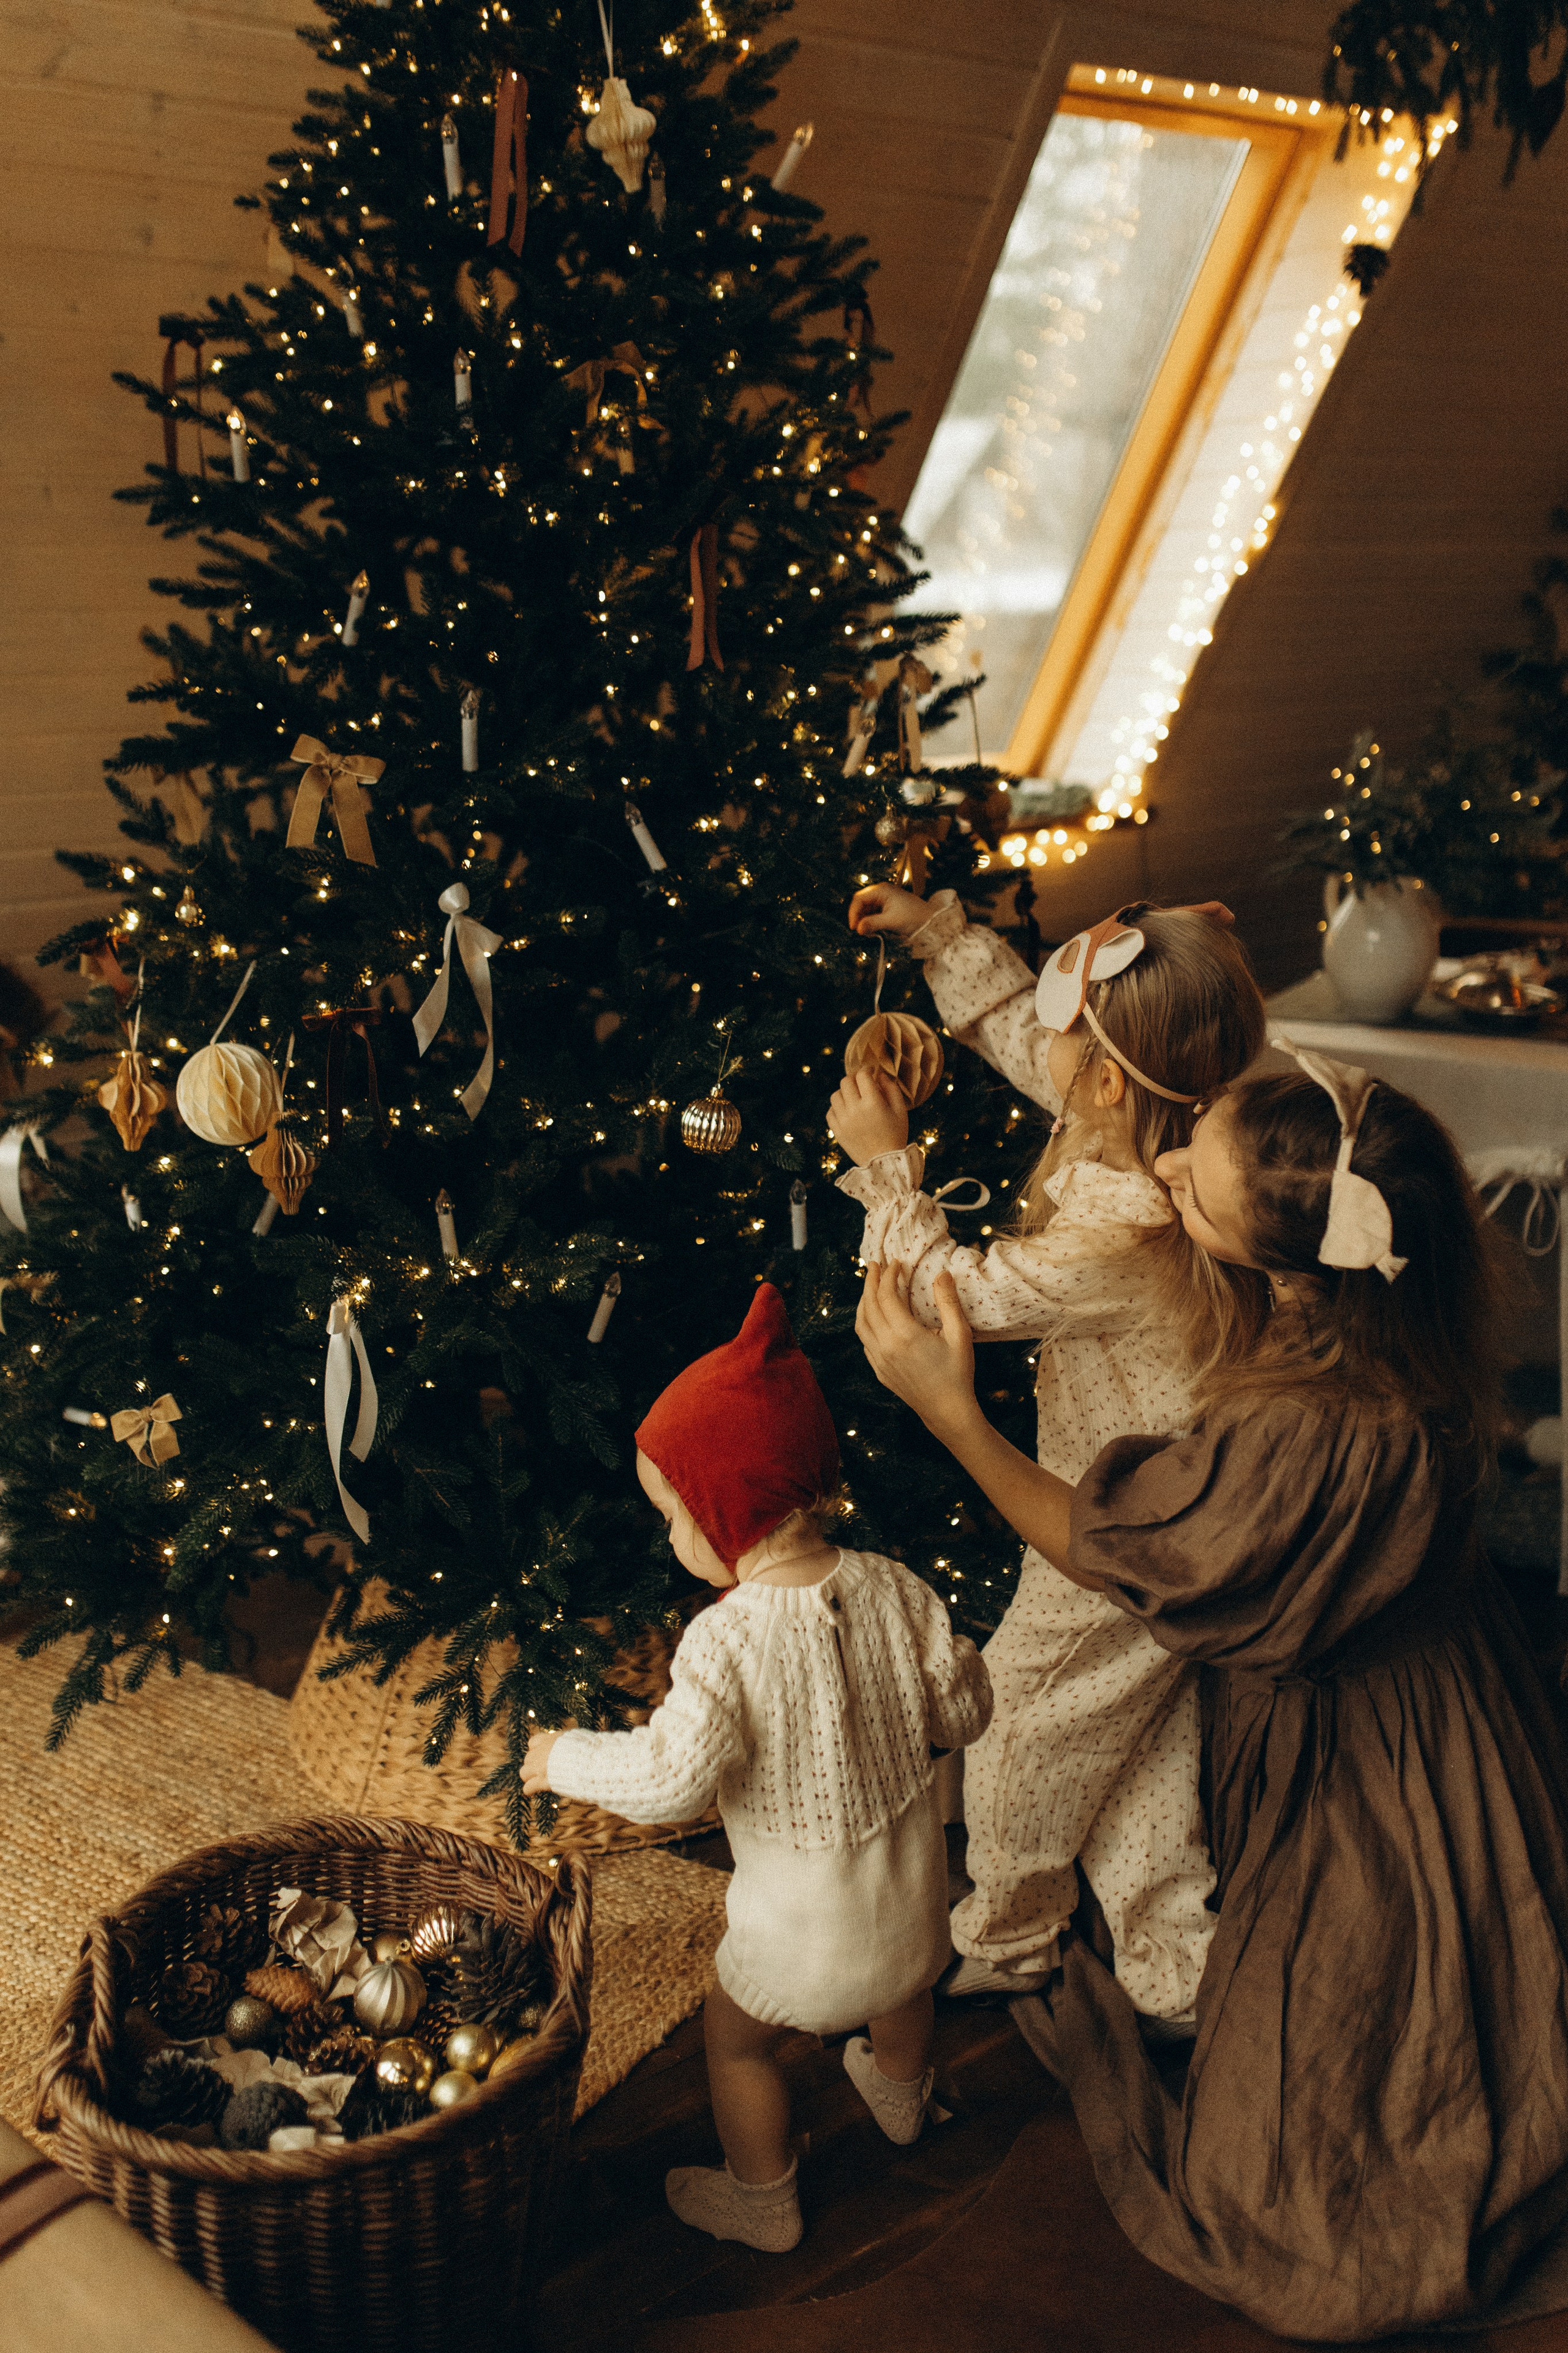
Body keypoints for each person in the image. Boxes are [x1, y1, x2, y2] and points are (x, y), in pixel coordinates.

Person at [854, 1040, 1568, 2339]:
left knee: (1294, 2181)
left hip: (1374, 1763)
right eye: (1195, 1138)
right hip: (1455, 1694)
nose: (1166, 1167)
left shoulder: (1311, 1423)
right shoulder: (1391, 1315)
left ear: (1292, 1267)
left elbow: (1112, 1552)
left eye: (1190, 1190)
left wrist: (948, 1410)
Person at [829, 886, 1265, 2022]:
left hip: (1122, 1519)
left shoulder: (1131, 1225)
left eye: (1073, 1044)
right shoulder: (1169, 1119)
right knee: (1141, 1729)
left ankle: (1009, 1932)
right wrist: (937, 937)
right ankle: (1177, 1963)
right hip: (1155, 1512)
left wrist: (887, 1167)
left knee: (1023, 1715)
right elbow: (1028, 1032)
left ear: (1108, 1078)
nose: (1049, 1055)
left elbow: (942, 1299)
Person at [522, 1283, 992, 2255]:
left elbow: (667, 1777)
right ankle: (903, 2097)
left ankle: (760, 2192)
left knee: (735, 2036)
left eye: (673, 1515)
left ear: (722, 1510)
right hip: (915, 1906)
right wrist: (957, 1668)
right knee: (905, 1990)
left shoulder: (724, 1642)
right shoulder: (898, 1587)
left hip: (800, 1944)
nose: (670, 1538)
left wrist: (561, 1754)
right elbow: (964, 1712)